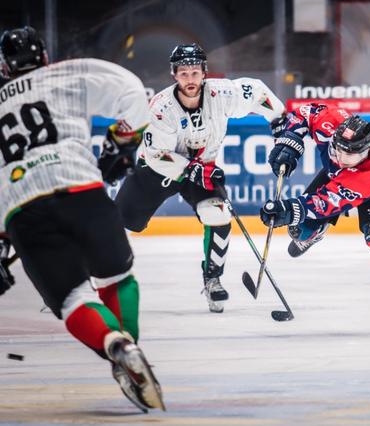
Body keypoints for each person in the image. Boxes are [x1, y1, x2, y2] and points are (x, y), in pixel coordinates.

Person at [0, 26, 164, 412]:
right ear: (43, 55)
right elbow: (134, 95)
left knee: (73, 298)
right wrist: (122, 142)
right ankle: (131, 351)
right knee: (116, 278)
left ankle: (116, 346)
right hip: (83, 192)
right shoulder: (69, 73)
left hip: (24, 210)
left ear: (5, 67)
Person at [114, 43, 285, 313]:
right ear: (174, 74)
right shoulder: (161, 108)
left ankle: (213, 278)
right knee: (118, 222)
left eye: (195, 72)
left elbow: (259, 93)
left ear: (204, 72)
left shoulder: (222, 93)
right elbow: (157, 155)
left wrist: (280, 121)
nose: (190, 79)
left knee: (218, 214)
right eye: (184, 73)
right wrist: (191, 169)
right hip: (156, 172)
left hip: (202, 171)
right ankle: (86, 276)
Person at [260, 104, 370, 335]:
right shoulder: (332, 121)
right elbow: (305, 112)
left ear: (366, 151)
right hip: (340, 180)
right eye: (338, 150)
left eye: (351, 154)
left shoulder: (366, 175)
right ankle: (315, 233)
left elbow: (324, 203)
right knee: (300, 230)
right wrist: (290, 141)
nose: (342, 158)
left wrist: (288, 208)